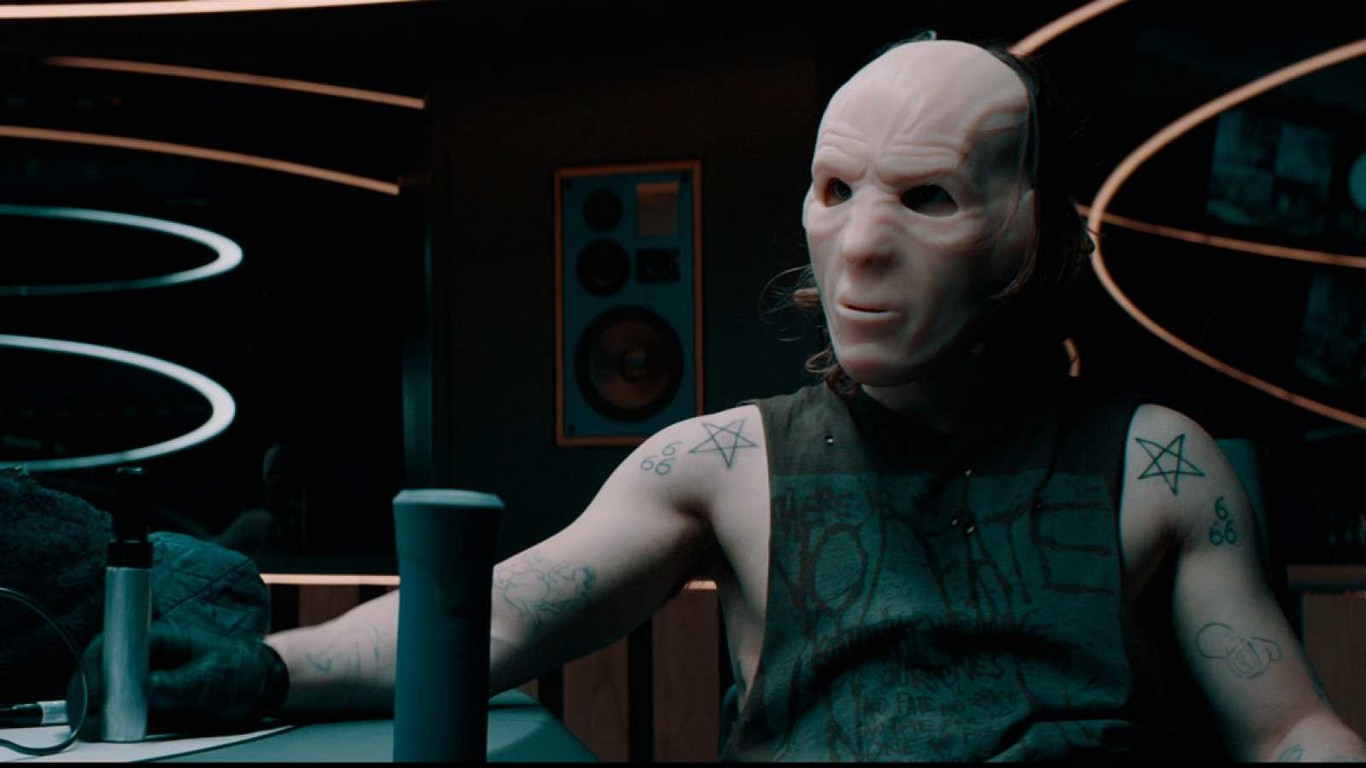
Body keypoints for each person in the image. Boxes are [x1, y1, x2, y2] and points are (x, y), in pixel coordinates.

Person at [66, 37, 1366, 761]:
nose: (860, 247)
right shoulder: (720, 461)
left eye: (926, 197)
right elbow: (498, 614)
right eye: (834, 189)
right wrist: (255, 669)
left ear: (1030, 232)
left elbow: (1289, 731)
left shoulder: (1157, 464)